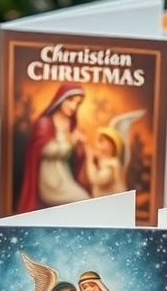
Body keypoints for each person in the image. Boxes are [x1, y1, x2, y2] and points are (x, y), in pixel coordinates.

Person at [16, 83, 90, 213]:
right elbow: (47, 151)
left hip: (64, 177)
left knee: (85, 199)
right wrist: (72, 141)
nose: (73, 107)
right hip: (50, 181)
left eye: (77, 103)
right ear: (61, 99)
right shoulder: (45, 123)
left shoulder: (70, 124)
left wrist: (80, 148)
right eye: (70, 100)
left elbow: (72, 158)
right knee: (83, 200)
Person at [84, 127, 127, 198]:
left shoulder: (111, 165)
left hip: (112, 204)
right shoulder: (103, 162)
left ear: (110, 146)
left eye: (101, 141)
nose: (96, 145)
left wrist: (89, 160)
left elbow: (97, 179)